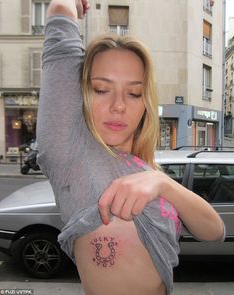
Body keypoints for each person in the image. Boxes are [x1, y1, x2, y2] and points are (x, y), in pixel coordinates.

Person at [37, 1, 225, 294]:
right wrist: (72, 4)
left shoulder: (146, 168)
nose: (119, 106)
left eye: (134, 93)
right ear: (82, 95)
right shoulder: (71, 154)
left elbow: (214, 231)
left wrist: (163, 183)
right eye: (101, 89)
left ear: (145, 103)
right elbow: (59, 42)